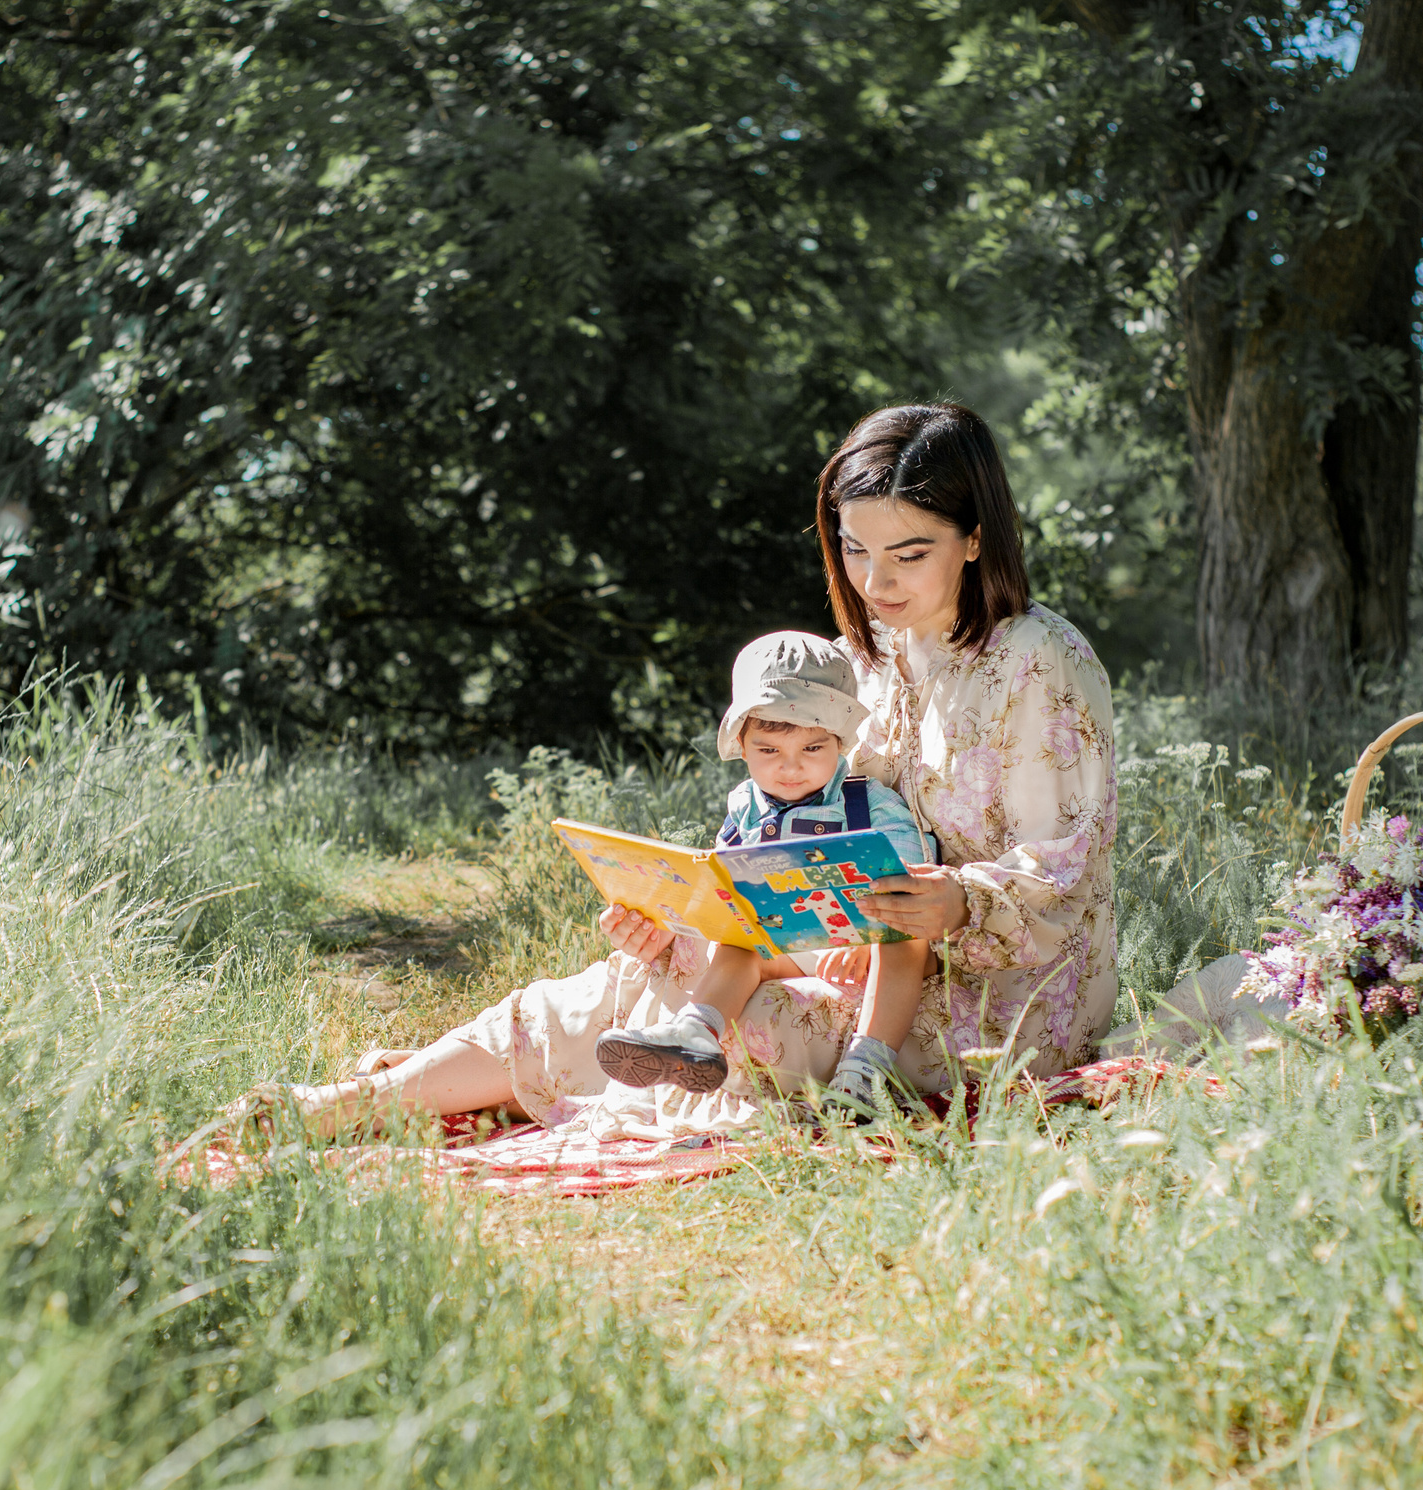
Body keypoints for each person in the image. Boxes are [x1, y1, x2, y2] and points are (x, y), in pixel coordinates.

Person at [226, 400, 1117, 1144]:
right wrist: (687, 909)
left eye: (909, 553)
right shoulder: (869, 654)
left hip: (988, 1005)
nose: (876, 580)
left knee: (726, 1018)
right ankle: (340, 1111)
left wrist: (959, 899)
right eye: (853, 549)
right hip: (834, 949)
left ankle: (371, 1106)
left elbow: (1073, 872)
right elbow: (802, 814)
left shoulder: (1043, 658)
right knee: (665, 971)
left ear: (974, 537)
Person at [591, 630, 936, 1114]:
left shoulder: (865, 801)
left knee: (906, 937)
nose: (790, 769)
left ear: (839, 740)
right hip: (793, 947)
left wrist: (865, 937)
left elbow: (910, 873)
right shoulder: (746, 807)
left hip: (867, 947)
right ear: (742, 744)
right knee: (738, 941)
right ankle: (697, 1030)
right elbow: (724, 877)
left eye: (812, 749)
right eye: (769, 751)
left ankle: (865, 1070)